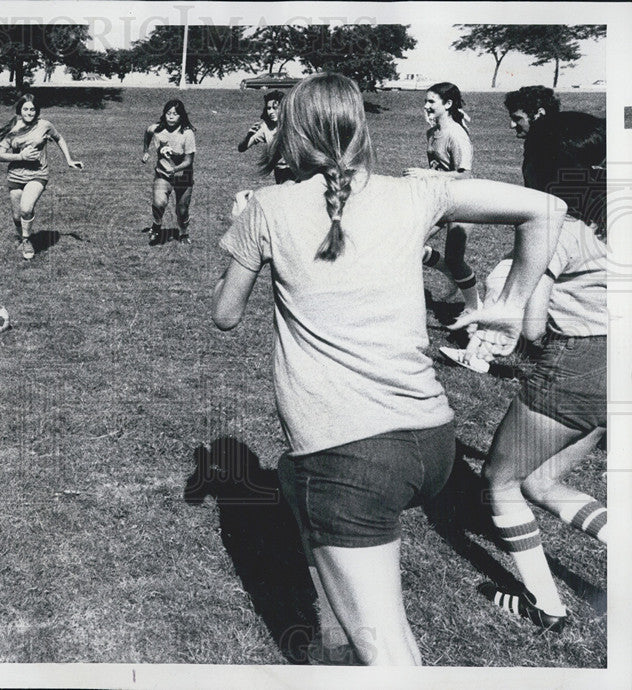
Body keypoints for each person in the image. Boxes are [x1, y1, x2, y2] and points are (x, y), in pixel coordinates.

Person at [212, 73, 565, 665]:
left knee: (391, 656)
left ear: (294, 128)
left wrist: (247, 224)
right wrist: (509, 308)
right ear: (359, 125)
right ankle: (335, 657)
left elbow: (225, 315)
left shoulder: (266, 208)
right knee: (305, 513)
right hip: (430, 441)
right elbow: (546, 210)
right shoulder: (415, 193)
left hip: (347, 453)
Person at [471, 115, 607, 632]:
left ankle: (545, 606)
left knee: (500, 480)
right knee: (543, 480)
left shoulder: (559, 229)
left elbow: (530, 327)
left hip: (579, 364)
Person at [404, 82, 481, 314]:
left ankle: (475, 308)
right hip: (439, 200)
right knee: (409, 244)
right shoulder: (432, 131)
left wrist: (427, 174)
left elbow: (465, 174)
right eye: (425, 101)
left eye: (431, 102)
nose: (425, 106)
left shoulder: (455, 133)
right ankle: (447, 272)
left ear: (447, 104)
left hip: (462, 202)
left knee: (456, 260)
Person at [0, 93, 84, 260]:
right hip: (15, 176)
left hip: (38, 174)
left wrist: (69, 159)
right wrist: (20, 157)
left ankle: (27, 241)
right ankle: (22, 237)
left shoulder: (44, 125)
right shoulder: (13, 129)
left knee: (26, 208)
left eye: (32, 109)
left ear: (37, 111)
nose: (29, 112)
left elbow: (59, 138)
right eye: (26, 109)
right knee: (16, 216)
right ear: (20, 110)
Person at [142, 99, 196, 244]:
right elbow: (147, 133)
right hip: (163, 175)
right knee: (159, 203)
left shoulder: (187, 134)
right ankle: (157, 225)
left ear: (181, 116)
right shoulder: (157, 129)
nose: (171, 117)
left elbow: (189, 161)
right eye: (168, 113)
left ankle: (184, 233)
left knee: (182, 211)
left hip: (183, 177)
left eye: (175, 114)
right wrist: (146, 151)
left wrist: (175, 169)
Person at [237, 90, 294, 184]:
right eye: (268, 108)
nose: (271, 112)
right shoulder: (265, 127)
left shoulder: (294, 125)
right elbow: (242, 148)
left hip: (299, 171)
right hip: (280, 172)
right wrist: (249, 134)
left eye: (275, 108)